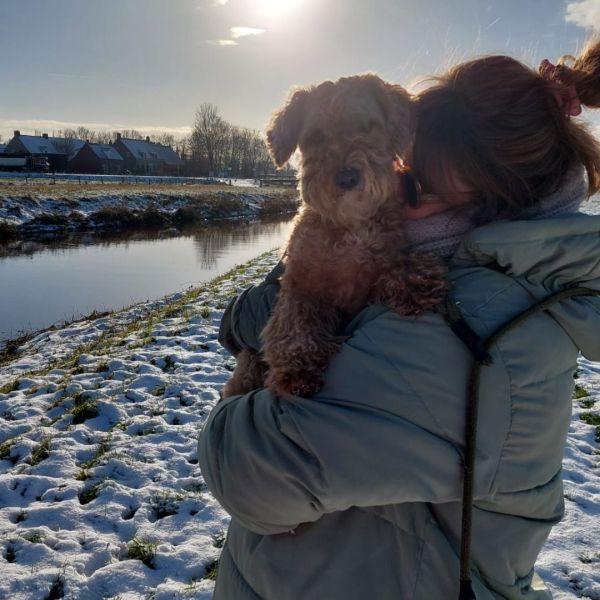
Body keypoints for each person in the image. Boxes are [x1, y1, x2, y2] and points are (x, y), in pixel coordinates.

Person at [197, 41, 600, 600]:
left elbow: (245, 472)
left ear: (498, 204)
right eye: (400, 167)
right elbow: (278, 303)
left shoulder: (475, 326)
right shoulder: (467, 262)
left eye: (415, 185)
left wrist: (248, 346)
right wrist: (268, 307)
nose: (397, 200)